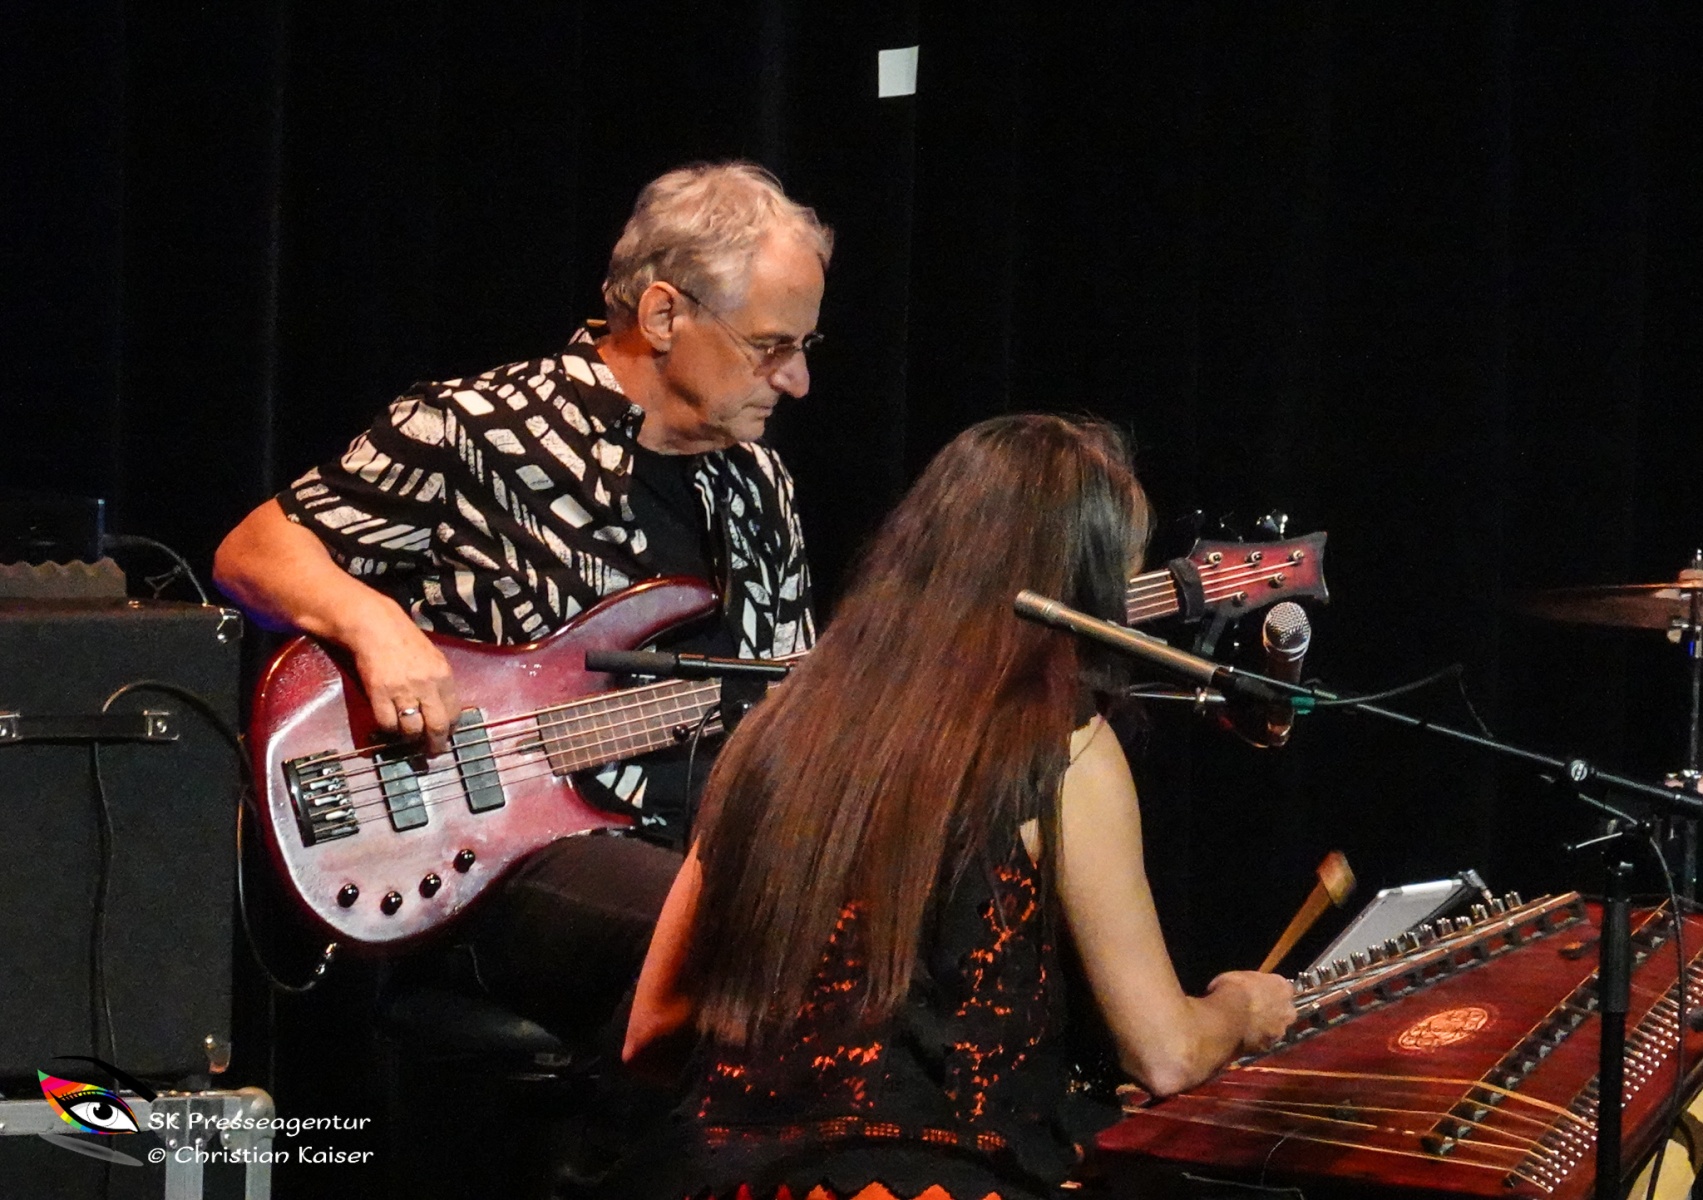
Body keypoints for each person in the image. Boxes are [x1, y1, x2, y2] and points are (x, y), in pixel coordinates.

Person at [214, 160, 831, 1037]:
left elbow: (784, 701)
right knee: (746, 946)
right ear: (664, 315)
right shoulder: (470, 429)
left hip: (707, 846)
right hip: (510, 856)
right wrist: (377, 625)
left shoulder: (757, 482)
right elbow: (252, 554)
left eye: (803, 347)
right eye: (770, 346)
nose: (796, 379)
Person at [620, 415, 1297, 1200]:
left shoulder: (771, 735)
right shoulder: (1061, 746)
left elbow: (652, 1035)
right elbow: (1165, 1053)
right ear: (1082, 590)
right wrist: (1239, 1009)